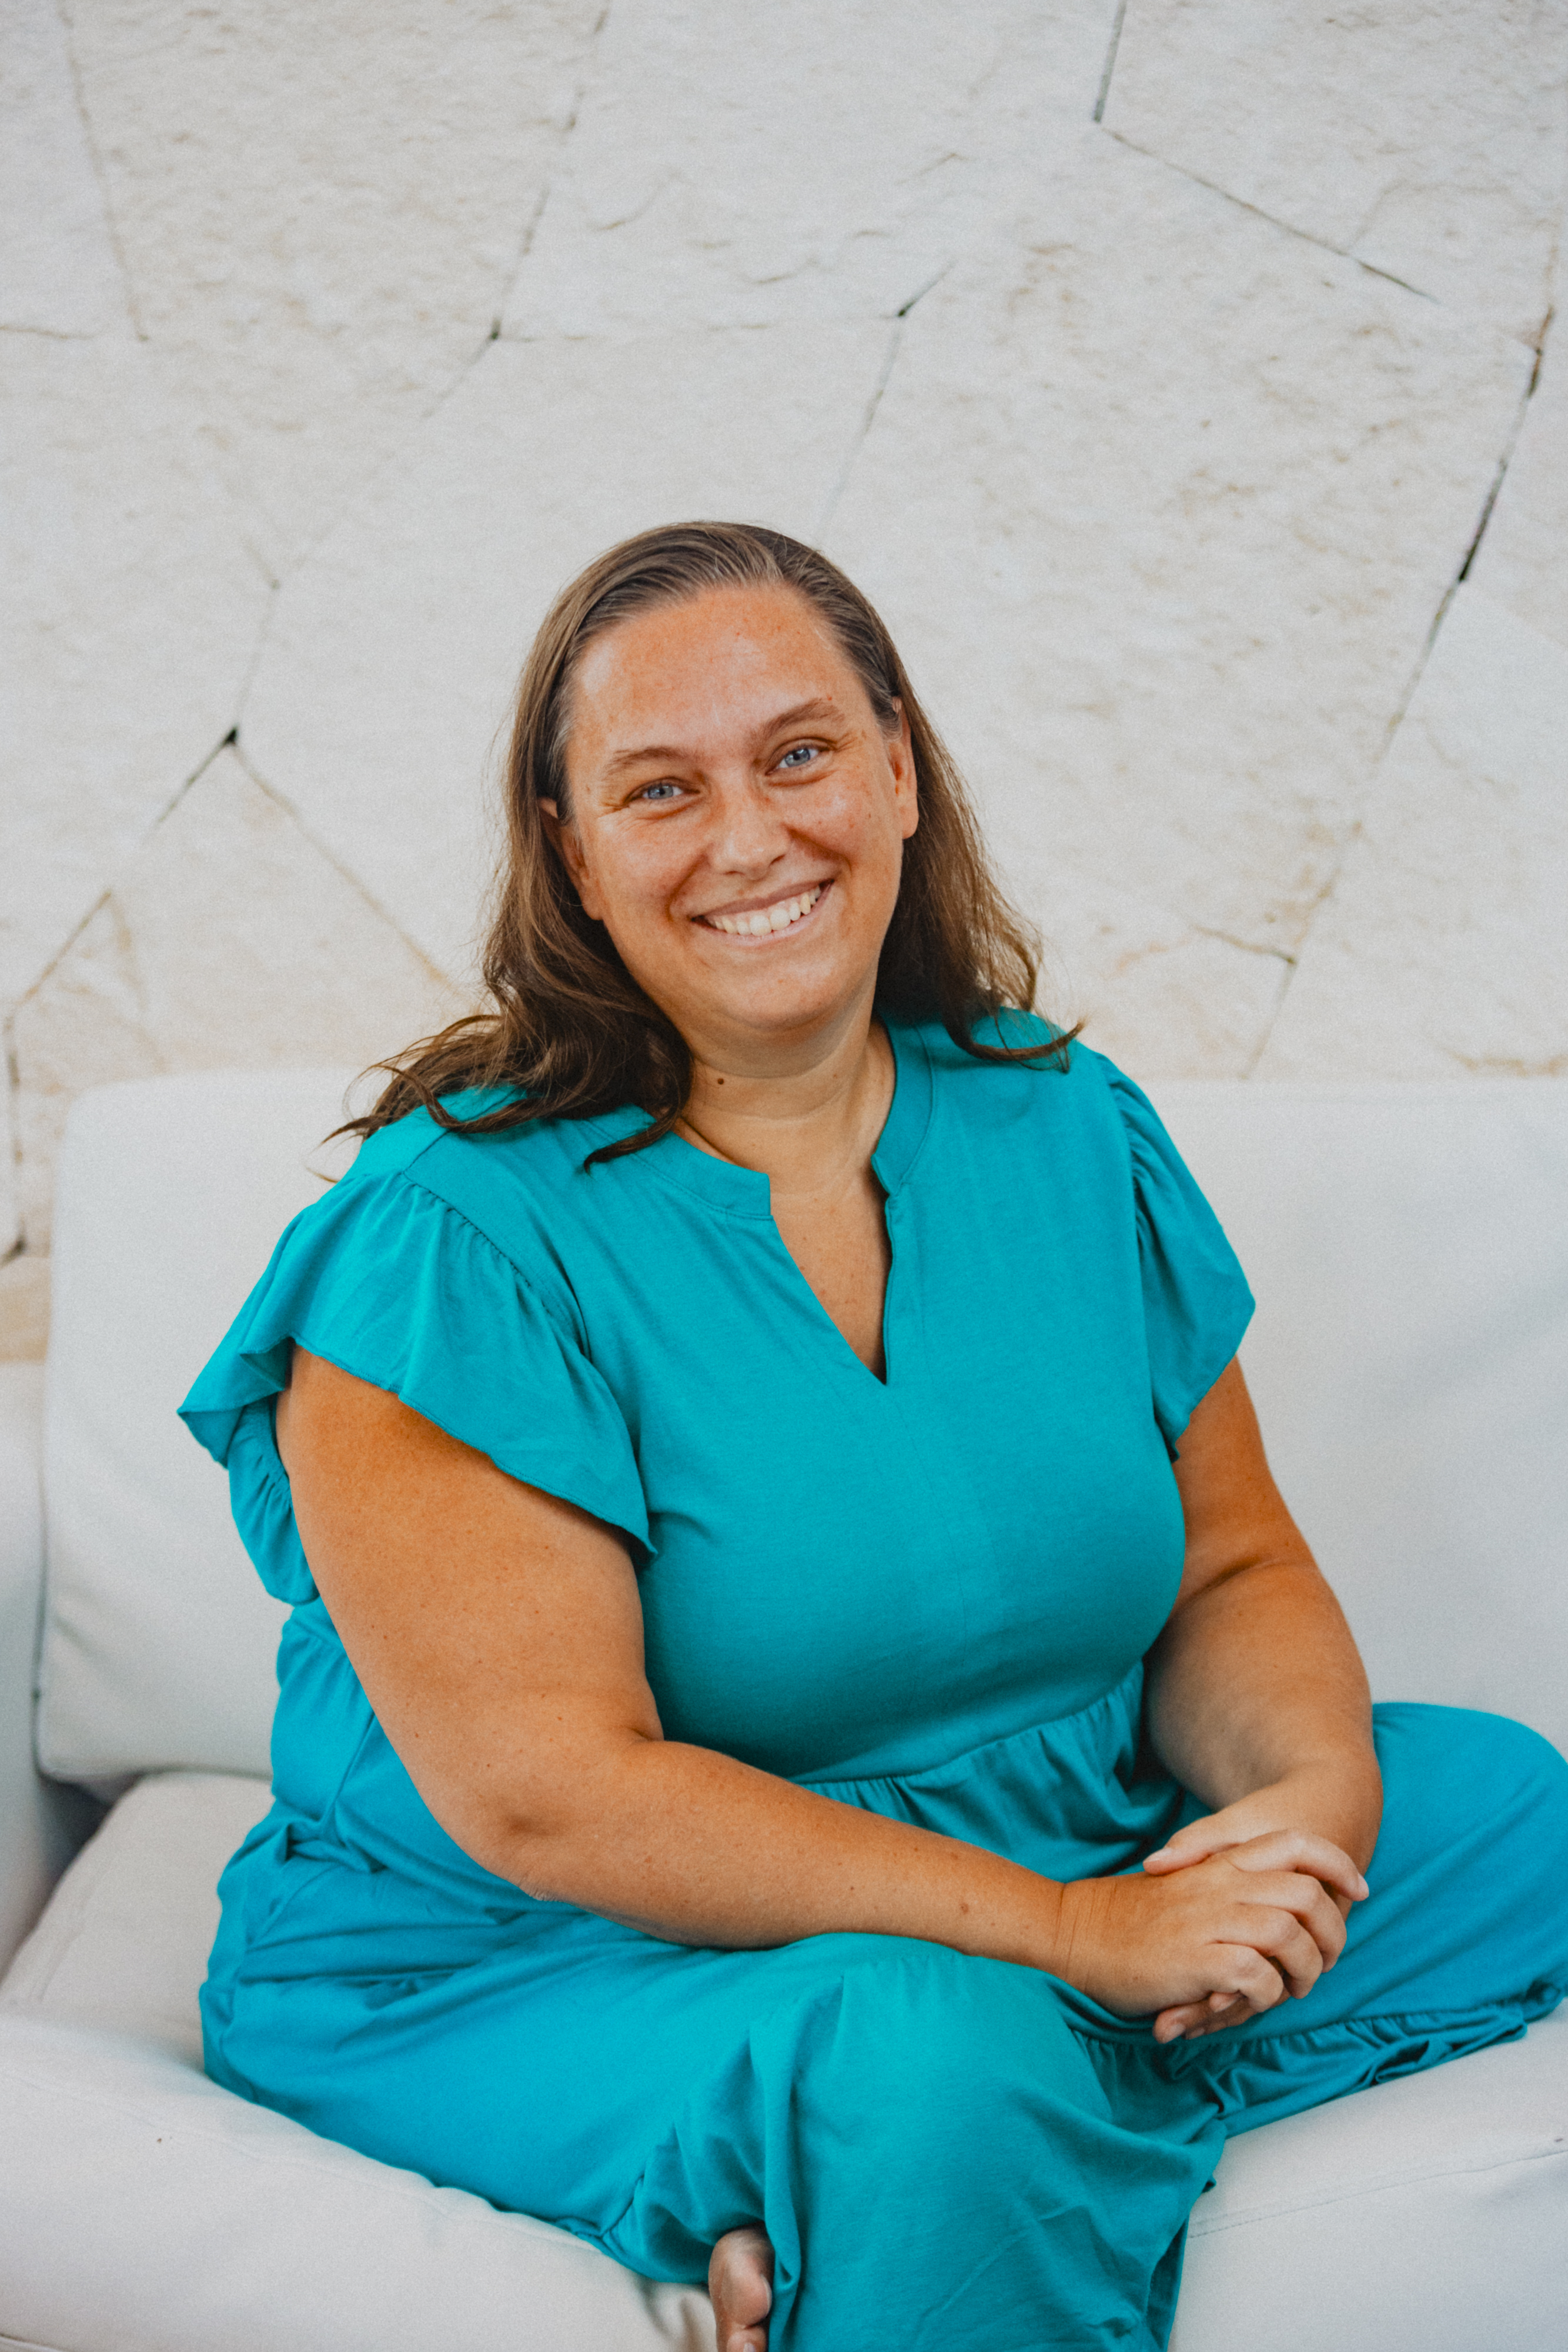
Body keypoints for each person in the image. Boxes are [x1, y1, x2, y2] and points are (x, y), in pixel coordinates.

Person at [181, 522, 1568, 2352]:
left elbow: (1229, 1565)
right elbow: (554, 1796)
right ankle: (898, 2138)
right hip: (551, 1944)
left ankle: (869, 2168)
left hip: (1049, 1847)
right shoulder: (452, 1241)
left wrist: (1301, 1816)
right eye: (660, 789)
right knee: (937, 2058)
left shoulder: (1062, 1121)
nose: (749, 836)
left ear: (898, 772)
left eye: (799, 753)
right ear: (572, 854)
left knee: (1502, 1814)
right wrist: (1077, 1941)